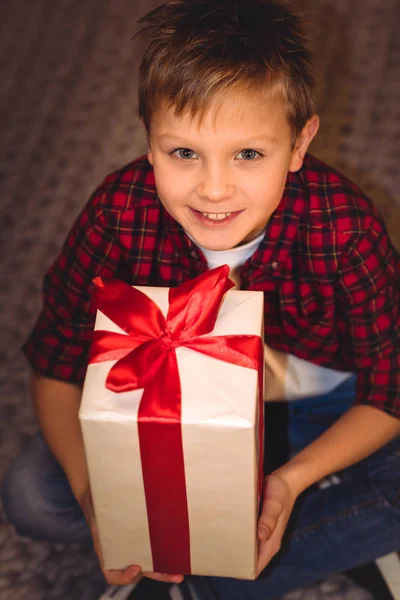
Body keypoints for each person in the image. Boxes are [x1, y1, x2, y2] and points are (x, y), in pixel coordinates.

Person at [2, 0, 399, 598]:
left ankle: (210, 576)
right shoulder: (118, 211)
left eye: (248, 153)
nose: (214, 189)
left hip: (324, 411)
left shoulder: (344, 228)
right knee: (33, 497)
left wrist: (287, 482)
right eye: (183, 152)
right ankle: (311, 540)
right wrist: (95, 499)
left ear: (299, 144)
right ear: (149, 140)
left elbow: (390, 391)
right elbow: (57, 362)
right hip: (173, 410)